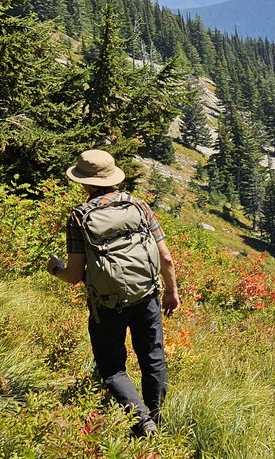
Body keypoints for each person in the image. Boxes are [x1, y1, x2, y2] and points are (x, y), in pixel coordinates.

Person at [48, 149, 181, 437]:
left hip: (106, 305)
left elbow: (73, 275)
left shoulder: (80, 217)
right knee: (153, 359)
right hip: (147, 297)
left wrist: (54, 268)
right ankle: (156, 419)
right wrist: (171, 291)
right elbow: (166, 258)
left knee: (112, 368)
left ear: (84, 183)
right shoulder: (139, 206)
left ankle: (143, 423)